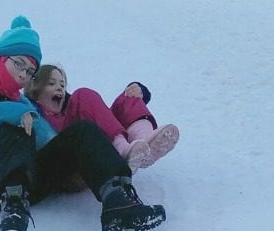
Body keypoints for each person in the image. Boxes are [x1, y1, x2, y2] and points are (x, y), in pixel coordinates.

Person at [0, 16, 167, 231]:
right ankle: (13, 209)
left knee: (82, 131)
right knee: (13, 126)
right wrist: (14, 112)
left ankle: (118, 200)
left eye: (30, 71)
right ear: (0, 57)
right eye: (19, 64)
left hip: (31, 183)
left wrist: (83, 163)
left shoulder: (23, 103)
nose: (23, 74)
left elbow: (50, 141)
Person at [26, 65, 179, 171]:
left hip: (101, 143)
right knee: (84, 95)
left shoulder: (70, 107)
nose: (60, 88)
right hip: (71, 159)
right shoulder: (31, 112)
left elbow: (105, 117)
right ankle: (123, 151)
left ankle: (145, 143)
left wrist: (138, 90)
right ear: (35, 90)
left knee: (128, 97)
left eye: (62, 84)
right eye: (51, 83)